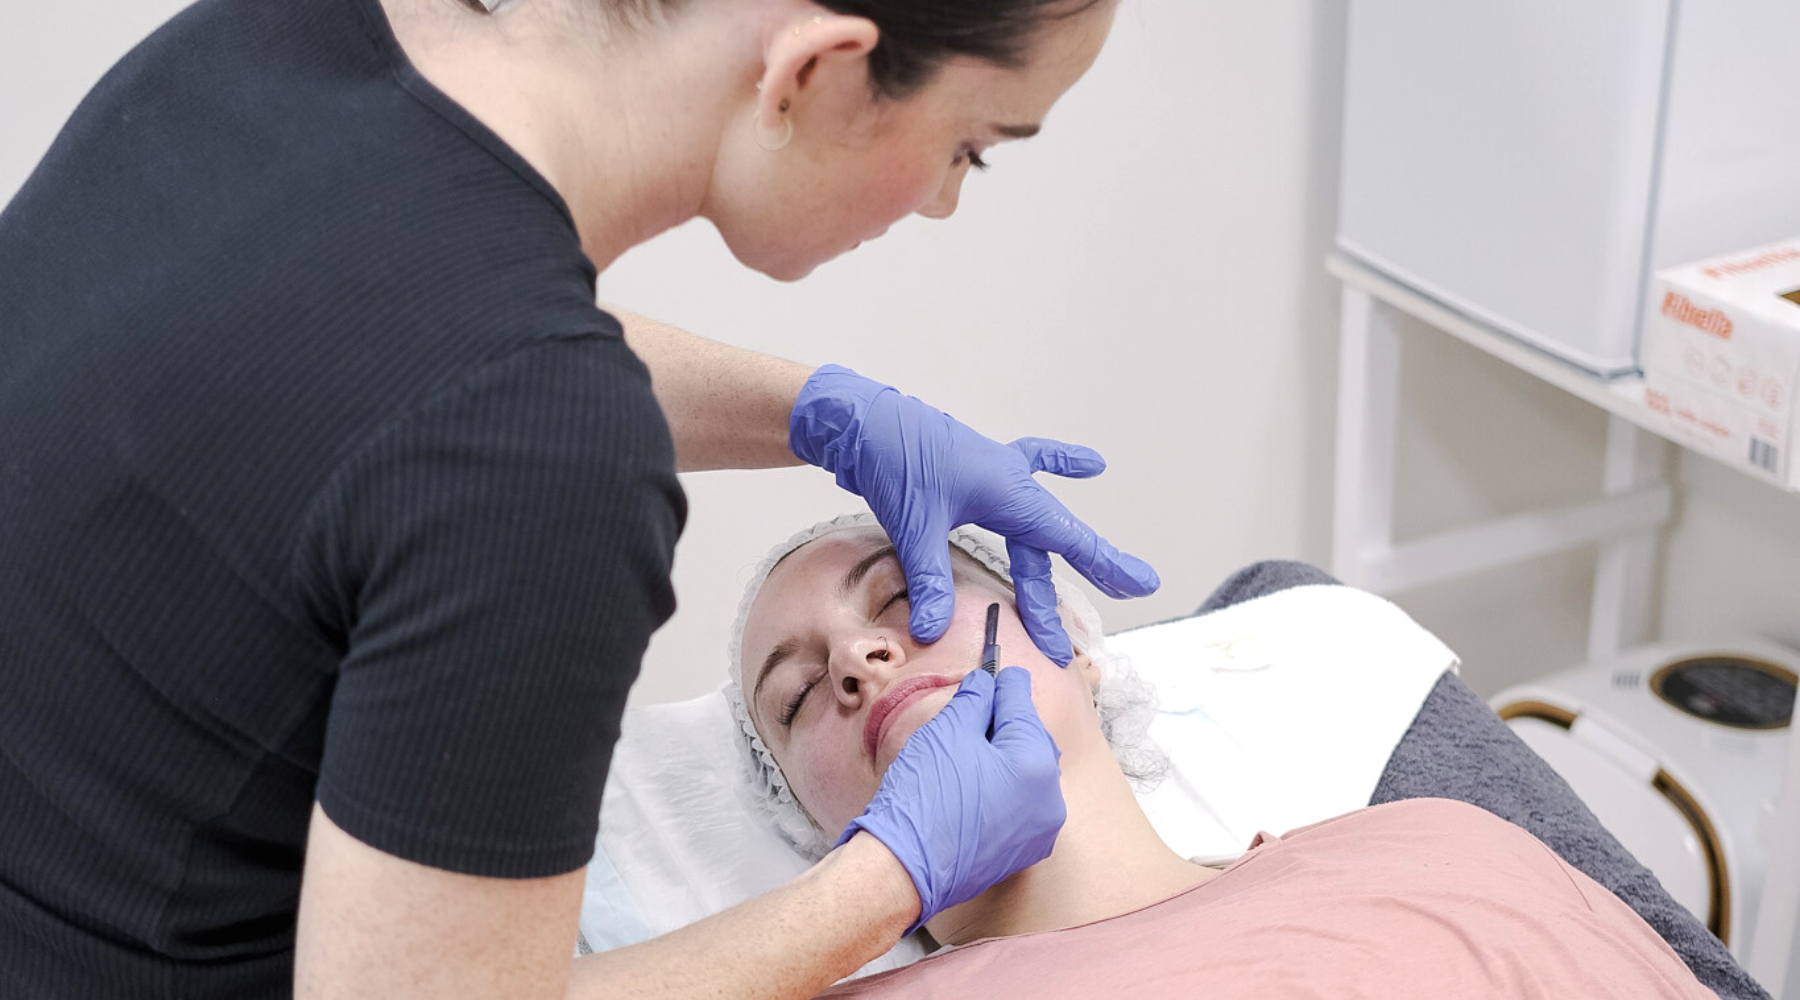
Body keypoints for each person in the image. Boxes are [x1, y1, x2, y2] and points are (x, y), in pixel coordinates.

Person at [0, 0, 1159, 997]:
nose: (946, 200)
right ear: (813, 68)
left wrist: (818, 408)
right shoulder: (542, 466)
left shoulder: (285, 41)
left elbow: (386, 326)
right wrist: (889, 872)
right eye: (972, 145)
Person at [729, 516, 1723, 999]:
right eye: (800, 694)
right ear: (813, 830)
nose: (857, 659)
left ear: (1070, 639)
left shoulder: (1439, 848)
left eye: (907, 594)